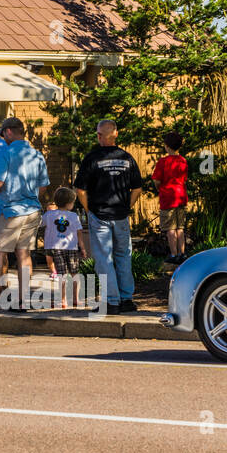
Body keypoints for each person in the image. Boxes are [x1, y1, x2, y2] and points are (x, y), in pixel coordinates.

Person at [73, 119, 143, 314]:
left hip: (100, 214)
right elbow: (137, 188)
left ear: (99, 136)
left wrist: (89, 210)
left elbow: (80, 190)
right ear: (116, 134)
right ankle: (127, 299)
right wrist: (126, 205)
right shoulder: (127, 158)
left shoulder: (92, 158)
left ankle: (112, 301)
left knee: (104, 259)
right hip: (120, 215)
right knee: (123, 256)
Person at [0, 116, 50, 312]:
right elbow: (44, 186)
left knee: (0, 254)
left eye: (2, 133)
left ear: (9, 131)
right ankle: (23, 299)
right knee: (24, 254)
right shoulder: (36, 154)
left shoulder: (6, 153)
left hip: (10, 210)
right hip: (32, 210)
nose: (2, 137)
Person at [44, 186, 87, 307]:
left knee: (61, 275)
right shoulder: (74, 216)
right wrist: (82, 248)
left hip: (56, 248)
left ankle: (63, 300)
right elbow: (79, 234)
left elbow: (40, 224)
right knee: (75, 274)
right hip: (71, 248)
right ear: (69, 203)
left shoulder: (49, 215)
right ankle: (76, 299)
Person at [152, 131, 189, 263]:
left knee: (170, 228)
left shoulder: (163, 162)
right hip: (181, 197)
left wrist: (160, 189)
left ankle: (174, 255)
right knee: (180, 227)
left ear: (167, 146)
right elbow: (184, 179)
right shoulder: (183, 161)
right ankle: (182, 253)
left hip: (168, 198)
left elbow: (156, 180)